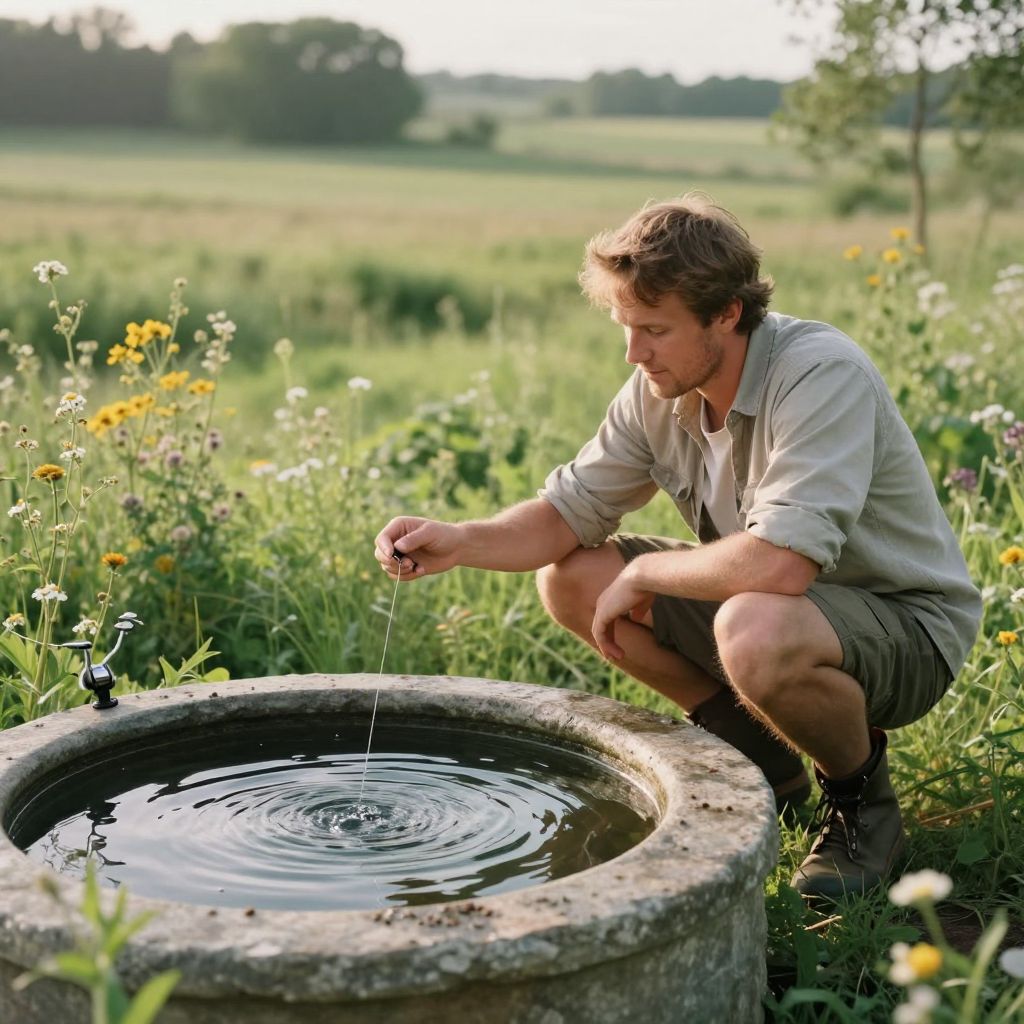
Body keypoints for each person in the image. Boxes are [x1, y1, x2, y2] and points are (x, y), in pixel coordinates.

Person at [374, 193, 981, 901]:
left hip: (905, 629)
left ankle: (861, 806)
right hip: (779, 610)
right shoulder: (655, 389)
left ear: (726, 313)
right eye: (626, 326)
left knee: (751, 626)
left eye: (654, 329)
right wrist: (460, 539)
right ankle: (765, 758)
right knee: (576, 578)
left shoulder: (819, 372)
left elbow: (782, 564)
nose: (634, 353)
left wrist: (653, 572)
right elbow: (567, 514)